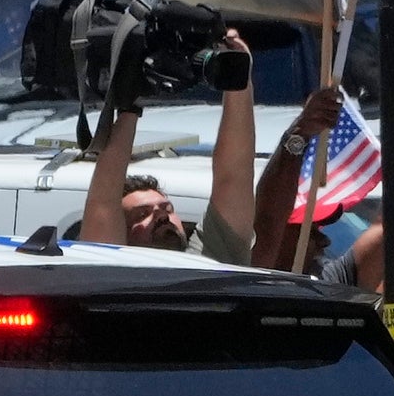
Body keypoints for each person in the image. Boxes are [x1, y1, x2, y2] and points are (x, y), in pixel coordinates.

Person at [76, 53, 264, 257]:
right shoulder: (112, 270)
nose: (161, 215)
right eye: (142, 214)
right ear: (119, 232)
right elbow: (103, 202)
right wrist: (130, 104)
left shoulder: (208, 261)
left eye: (168, 208)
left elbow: (234, 176)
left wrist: (237, 73)